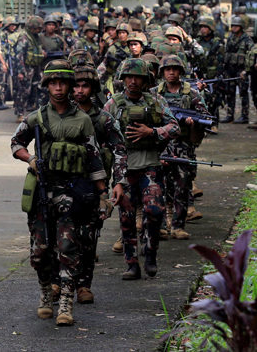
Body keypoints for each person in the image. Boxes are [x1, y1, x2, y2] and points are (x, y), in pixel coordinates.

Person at [11, 59, 107, 326]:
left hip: (72, 193)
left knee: (67, 247)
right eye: (53, 82)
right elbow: (16, 142)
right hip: (43, 192)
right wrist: (29, 159)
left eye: (63, 82)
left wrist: (103, 194)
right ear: (47, 86)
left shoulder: (83, 120)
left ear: (69, 85)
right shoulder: (37, 117)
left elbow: (94, 159)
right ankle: (45, 292)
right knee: (40, 252)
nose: (58, 87)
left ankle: (65, 301)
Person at [104, 58, 180, 280]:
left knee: (154, 210)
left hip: (151, 165)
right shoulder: (113, 104)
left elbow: (174, 126)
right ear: (123, 79)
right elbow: (100, 131)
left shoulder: (156, 101)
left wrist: (153, 132)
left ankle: (151, 253)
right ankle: (131, 264)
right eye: (129, 77)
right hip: (124, 168)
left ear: (146, 79)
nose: (133, 81)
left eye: (137, 77)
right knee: (127, 218)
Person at [71, 63, 125, 303]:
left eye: (85, 86)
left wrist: (118, 182)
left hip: (94, 185)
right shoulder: (58, 114)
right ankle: (57, 283)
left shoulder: (103, 118)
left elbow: (120, 150)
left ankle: (83, 285)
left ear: (93, 89)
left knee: (88, 236)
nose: (80, 90)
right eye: (76, 85)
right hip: (64, 183)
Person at [151, 55, 209, 240]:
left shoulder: (191, 93)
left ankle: (177, 225)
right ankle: (159, 225)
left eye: (175, 69)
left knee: (182, 185)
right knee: (157, 186)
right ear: (162, 72)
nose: (171, 72)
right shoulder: (154, 93)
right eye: (168, 69)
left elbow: (205, 115)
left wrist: (194, 123)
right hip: (160, 145)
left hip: (183, 145)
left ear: (181, 72)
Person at [12, 16, 45, 121]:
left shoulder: (35, 37)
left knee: (36, 89)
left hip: (35, 67)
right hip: (26, 68)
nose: (39, 31)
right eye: (37, 28)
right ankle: (20, 113)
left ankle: (32, 110)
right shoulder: (24, 37)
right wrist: (21, 72)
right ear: (32, 28)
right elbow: (19, 55)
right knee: (23, 91)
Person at [222, 17, 253, 123]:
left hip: (241, 70)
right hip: (230, 69)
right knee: (229, 93)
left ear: (241, 27)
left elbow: (251, 56)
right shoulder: (230, 38)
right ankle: (229, 115)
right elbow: (226, 53)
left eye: (236, 26)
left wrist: (246, 71)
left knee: (243, 93)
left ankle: (245, 116)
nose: (234, 28)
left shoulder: (247, 40)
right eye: (233, 26)